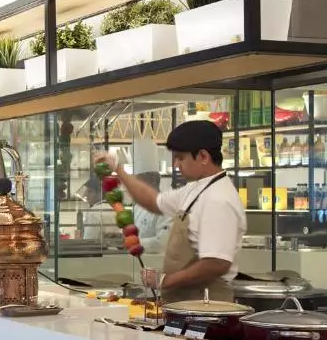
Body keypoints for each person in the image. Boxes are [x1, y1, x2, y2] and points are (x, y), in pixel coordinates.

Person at [94, 120, 244, 302]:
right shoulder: (196, 189)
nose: (176, 164)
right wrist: (118, 169)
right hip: (184, 299)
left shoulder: (218, 199)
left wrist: (164, 280)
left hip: (206, 302)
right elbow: (153, 201)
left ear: (203, 156)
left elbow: (216, 263)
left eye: (180, 158)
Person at [132, 171, 171, 253]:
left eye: (139, 182)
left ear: (153, 181)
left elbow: (163, 242)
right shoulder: (138, 205)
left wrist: (134, 243)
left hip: (156, 259)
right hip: (136, 255)